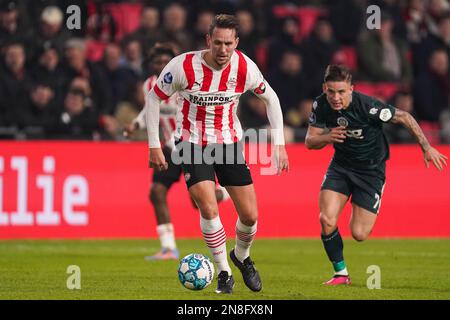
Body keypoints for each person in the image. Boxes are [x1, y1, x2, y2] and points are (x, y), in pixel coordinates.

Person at [145, 15, 289, 294]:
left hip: (229, 143)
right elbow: (154, 97)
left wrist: (279, 143)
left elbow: (271, 98)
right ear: (208, 41)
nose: (223, 50)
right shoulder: (183, 66)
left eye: (229, 44)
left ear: (237, 42)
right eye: (218, 43)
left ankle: (242, 257)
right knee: (208, 207)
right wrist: (153, 145)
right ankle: (223, 271)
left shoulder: (244, 67)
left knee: (249, 216)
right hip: (191, 143)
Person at [305, 65, 447, 286]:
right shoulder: (320, 104)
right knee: (326, 219)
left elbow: (405, 117)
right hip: (341, 167)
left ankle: (362, 201)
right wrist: (328, 137)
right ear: (325, 88)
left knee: (359, 233)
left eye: (341, 92)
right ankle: (341, 274)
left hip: (370, 172)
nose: (335, 97)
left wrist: (426, 147)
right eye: (331, 91)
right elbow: (310, 141)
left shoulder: (368, 106)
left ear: (351, 89)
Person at [124, 43, 231, 261]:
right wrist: (135, 124)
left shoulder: (184, 80)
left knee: (197, 202)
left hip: (192, 145)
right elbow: (149, 109)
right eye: (157, 62)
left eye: (166, 61)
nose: (162, 65)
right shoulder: (150, 85)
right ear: (151, 65)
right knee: (156, 192)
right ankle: (168, 248)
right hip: (169, 149)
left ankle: (226, 192)